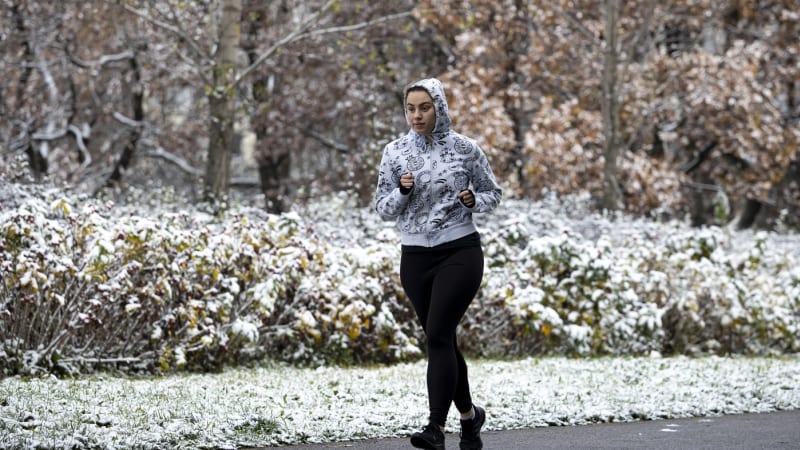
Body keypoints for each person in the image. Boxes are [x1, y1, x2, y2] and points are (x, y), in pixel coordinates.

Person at [374, 78, 502, 450]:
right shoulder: (395, 152)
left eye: (425, 107)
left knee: (437, 334)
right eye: (411, 108)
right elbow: (382, 208)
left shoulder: (465, 148)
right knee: (442, 337)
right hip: (414, 257)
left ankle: (435, 427)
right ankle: (469, 416)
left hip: (459, 251)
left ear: (440, 108)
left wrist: (472, 200)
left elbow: (493, 192)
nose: (417, 115)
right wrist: (402, 191)